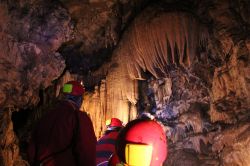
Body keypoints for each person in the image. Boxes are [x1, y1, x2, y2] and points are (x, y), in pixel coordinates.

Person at [27, 81, 96, 166]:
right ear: (79, 99)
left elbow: (32, 149)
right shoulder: (78, 117)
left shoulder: (46, 116)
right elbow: (87, 150)